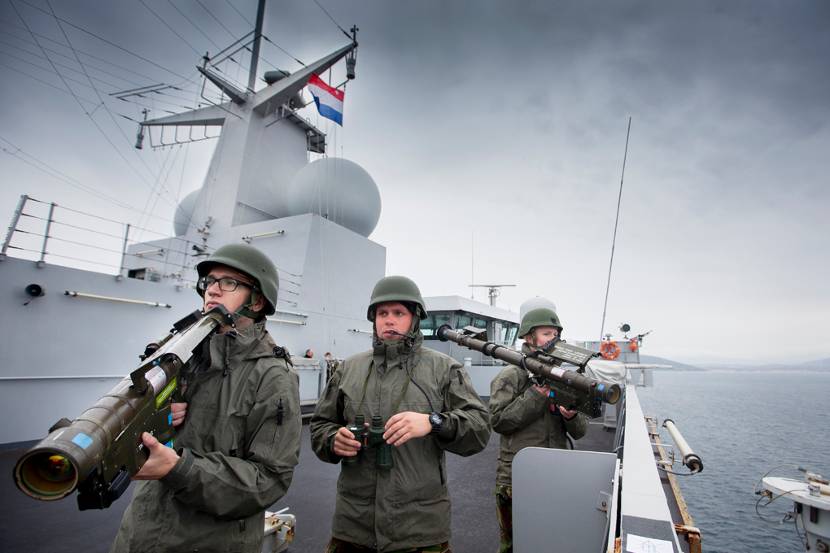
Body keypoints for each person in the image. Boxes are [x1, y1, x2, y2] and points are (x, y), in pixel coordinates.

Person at [110, 243, 302, 553]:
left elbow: (268, 480)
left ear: (257, 301)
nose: (213, 289)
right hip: (138, 536)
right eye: (210, 281)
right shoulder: (179, 354)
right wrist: (155, 416)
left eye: (229, 282)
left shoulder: (273, 376)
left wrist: (178, 469)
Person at [310, 275, 491, 553]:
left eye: (398, 313)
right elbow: (320, 425)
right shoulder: (349, 369)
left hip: (419, 530)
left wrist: (433, 422)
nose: (389, 321)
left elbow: (479, 429)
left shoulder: (444, 369)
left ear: (414, 319)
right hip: (353, 526)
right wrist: (334, 440)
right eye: (382, 313)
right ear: (373, 320)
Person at [489, 306, 588, 553]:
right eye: (546, 334)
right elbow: (499, 421)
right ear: (528, 337)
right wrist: (536, 395)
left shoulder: (565, 377)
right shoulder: (511, 375)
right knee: (513, 545)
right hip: (516, 477)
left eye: (556, 334)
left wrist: (572, 416)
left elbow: (580, 431)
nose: (553, 339)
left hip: (554, 474)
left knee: (550, 540)